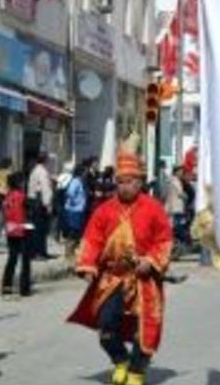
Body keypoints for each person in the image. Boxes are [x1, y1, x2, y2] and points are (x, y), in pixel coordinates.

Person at [68, 141, 173, 385]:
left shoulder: (154, 208)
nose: (124, 186)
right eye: (120, 182)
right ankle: (121, 361)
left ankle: (136, 371)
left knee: (146, 328)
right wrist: (88, 265)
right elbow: (92, 240)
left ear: (139, 182)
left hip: (144, 278)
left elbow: (165, 240)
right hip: (112, 278)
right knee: (106, 326)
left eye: (129, 181)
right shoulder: (104, 210)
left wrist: (151, 261)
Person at [1, 172, 32, 297]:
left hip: (10, 229)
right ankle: (24, 288)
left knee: (12, 259)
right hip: (22, 229)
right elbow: (29, 212)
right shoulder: (22, 196)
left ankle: (6, 286)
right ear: (19, 183)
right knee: (25, 260)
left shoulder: (7, 197)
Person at [28, 153, 54, 260]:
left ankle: (40, 251)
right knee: (40, 229)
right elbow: (45, 188)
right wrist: (48, 204)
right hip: (40, 202)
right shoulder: (42, 172)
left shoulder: (35, 170)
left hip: (33, 201)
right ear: (45, 161)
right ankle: (38, 252)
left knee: (37, 228)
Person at [63, 163, 89, 260]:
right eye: (85, 171)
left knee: (77, 232)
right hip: (74, 210)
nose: (86, 173)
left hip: (78, 210)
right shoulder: (76, 181)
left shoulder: (80, 181)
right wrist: (75, 202)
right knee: (73, 231)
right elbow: (70, 193)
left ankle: (71, 251)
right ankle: (68, 252)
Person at [164, 166, 189, 256]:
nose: (182, 173)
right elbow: (181, 194)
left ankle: (178, 245)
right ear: (176, 172)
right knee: (178, 227)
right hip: (176, 207)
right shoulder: (176, 181)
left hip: (170, 207)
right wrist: (186, 196)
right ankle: (185, 242)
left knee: (173, 226)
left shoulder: (169, 181)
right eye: (180, 172)